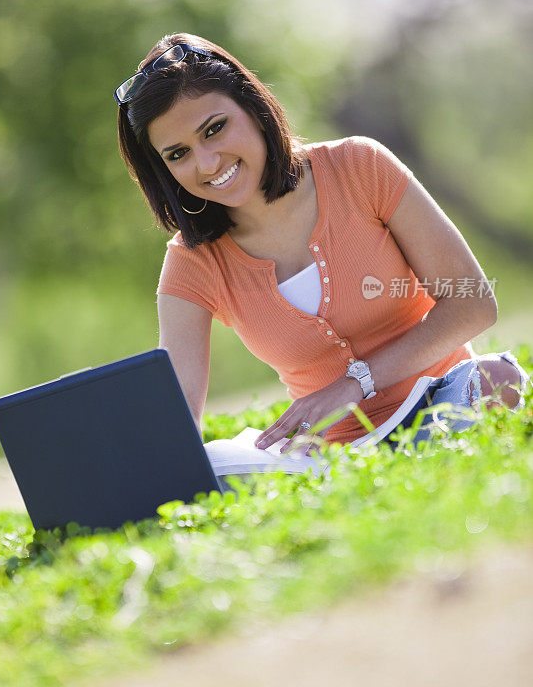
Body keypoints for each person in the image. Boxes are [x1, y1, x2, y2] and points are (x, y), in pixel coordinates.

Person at [114, 32, 528, 456]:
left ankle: (416, 458)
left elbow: (474, 302)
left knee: (499, 379)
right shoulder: (191, 262)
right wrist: (111, 421)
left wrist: (356, 384)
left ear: (254, 110)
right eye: (177, 154)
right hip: (330, 453)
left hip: (448, 398)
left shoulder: (359, 166)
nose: (206, 163)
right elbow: (179, 413)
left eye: (215, 129)